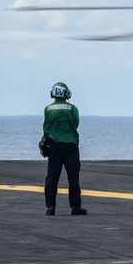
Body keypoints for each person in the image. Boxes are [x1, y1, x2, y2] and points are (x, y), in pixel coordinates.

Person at [41, 81, 87, 215]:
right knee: (73, 177)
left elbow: (46, 127)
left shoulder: (48, 109)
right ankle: (75, 206)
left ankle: (50, 207)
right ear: (66, 94)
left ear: (53, 93)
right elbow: (75, 123)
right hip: (71, 145)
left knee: (52, 177)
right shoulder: (72, 108)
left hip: (54, 147)